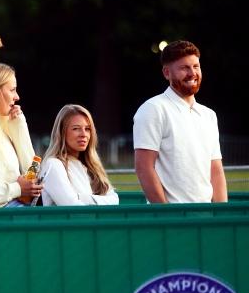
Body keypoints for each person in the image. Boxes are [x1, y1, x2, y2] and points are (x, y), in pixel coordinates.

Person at [133, 40, 227, 203]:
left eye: (196, 66)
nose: (192, 73)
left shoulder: (208, 115)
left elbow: (215, 170)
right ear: (167, 73)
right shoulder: (153, 109)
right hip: (171, 220)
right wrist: (166, 216)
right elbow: (144, 168)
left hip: (208, 217)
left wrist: (221, 215)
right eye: (184, 68)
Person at [0, 63, 42, 207]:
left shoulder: (4, 130)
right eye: (12, 90)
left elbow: (32, 171)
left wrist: (19, 127)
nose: (17, 97)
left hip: (17, 209)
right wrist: (17, 189)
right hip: (0, 216)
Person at [39, 104, 118, 206]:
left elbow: (114, 200)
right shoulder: (53, 164)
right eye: (76, 128)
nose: (83, 134)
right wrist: (96, 201)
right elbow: (73, 207)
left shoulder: (91, 166)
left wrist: (82, 197)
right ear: (62, 132)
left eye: (87, 129)